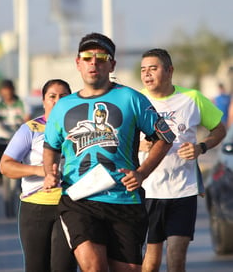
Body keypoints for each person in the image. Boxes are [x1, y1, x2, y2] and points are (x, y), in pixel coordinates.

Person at [42, 32, 174, 272]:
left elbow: (165, 138)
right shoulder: (63, 106)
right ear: (78, 63)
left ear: (112, 64)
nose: (94, 63)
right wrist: (48, 173)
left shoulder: (131, 98)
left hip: (124, 199)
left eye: (102, 58)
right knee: (94, 267)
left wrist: (142, 173)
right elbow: (50, 147)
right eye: (87, 57)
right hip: (80, 199)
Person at [139, 48, 226, 272]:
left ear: (169, 71)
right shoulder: (136, 100)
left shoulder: (192, 98)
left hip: (183, 190)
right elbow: (119, 138)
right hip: (148, 190)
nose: (147, 74)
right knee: (151, 261)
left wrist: (201, 147)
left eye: (153, 68)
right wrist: (139, 145)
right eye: (143, 70)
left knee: (177, 257)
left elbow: (219, 129)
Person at [0, 79, 76, 272]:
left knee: (64, 267)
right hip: (35, 208)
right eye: (52, 96)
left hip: (71, 206)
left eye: (63, 97)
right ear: (43, 101)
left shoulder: (80, 129)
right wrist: (39, 170)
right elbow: (6, 166)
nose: (57, 101)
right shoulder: (30, 129)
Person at [0, 79, 30, 186]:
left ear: (13, 91)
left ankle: (22, 177)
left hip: (17, 135)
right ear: (1, 92)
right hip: (2, 135)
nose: (7, 96)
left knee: (23, 156)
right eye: (5, 93)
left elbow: (27, 118)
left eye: (9, 92)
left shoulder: (21, 102)